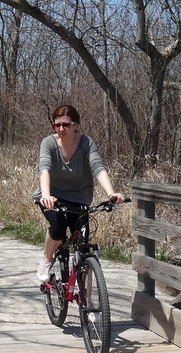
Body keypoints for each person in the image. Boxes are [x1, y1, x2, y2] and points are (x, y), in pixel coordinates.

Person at [36, 105, 125, 282]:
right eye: (57, 125)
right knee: (58, 228)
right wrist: (46, 195)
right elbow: (44, 169)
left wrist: (111, 194)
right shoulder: (49, 143)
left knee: (83, 247)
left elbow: (97, 167)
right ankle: (47, 258)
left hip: (79, 198)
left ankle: (85, 295)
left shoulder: (86, 143)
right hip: (52, 197)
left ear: (76, 125)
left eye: (66, 125)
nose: (61, 129)